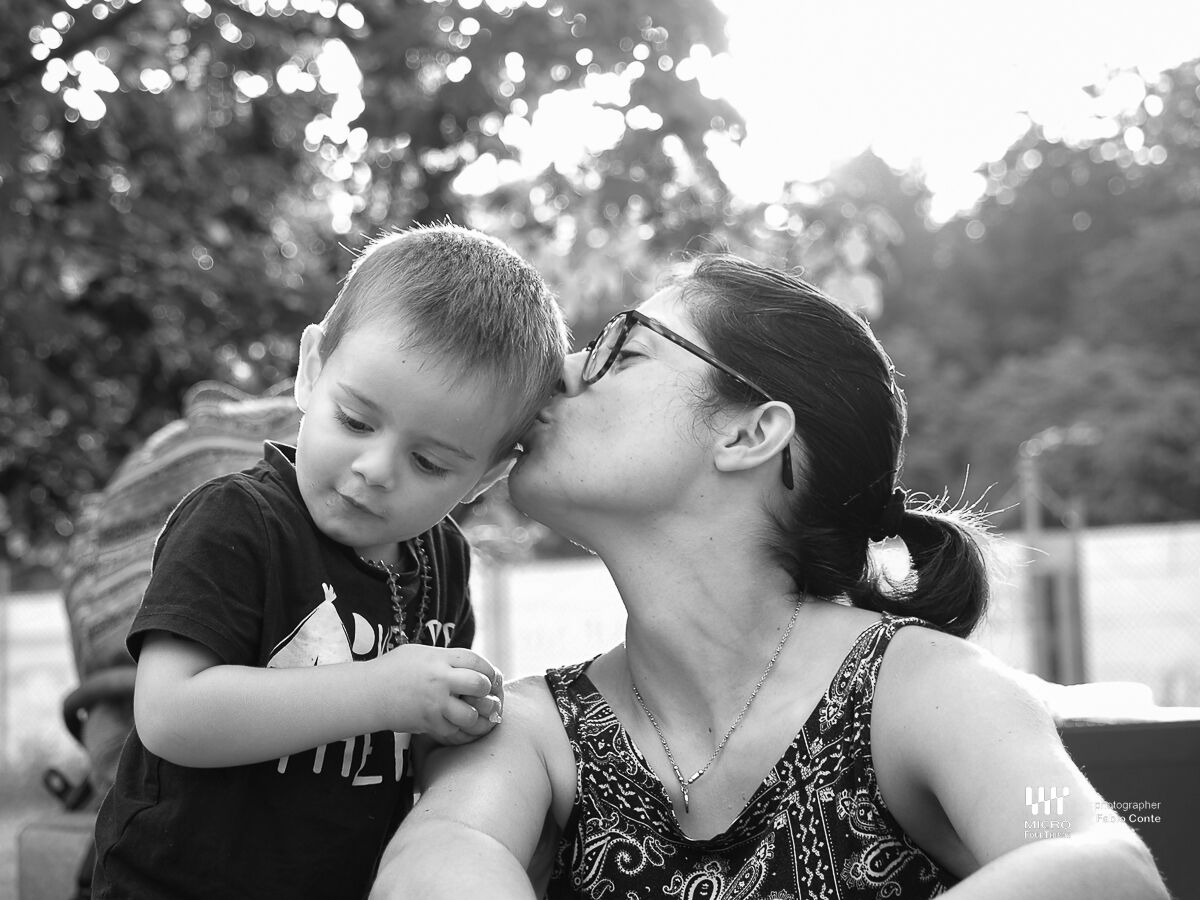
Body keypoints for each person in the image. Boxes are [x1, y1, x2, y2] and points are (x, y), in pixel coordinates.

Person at [371, 254, 1168, 899]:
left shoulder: (923, 689)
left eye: (624, 345)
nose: (563, 370)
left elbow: (1097, 863)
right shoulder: (533, 730)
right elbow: (436, 858)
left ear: (751, 433)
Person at [91, 224, 569, 900]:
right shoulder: (239, 524)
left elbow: (416, 739)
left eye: (429, 462)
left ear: (486, 477)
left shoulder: (444, 562)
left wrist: (453, 724)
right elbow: (171, 713)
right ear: (312, 369)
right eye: (357, 421)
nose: (375, 469)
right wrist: (383, 692)